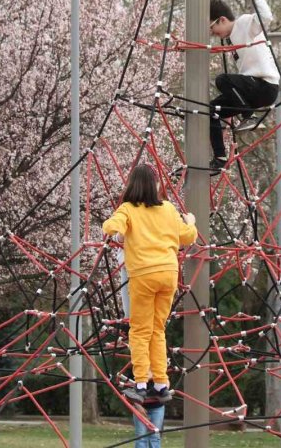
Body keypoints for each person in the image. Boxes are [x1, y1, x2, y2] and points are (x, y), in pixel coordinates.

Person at [102, 164, 197, 404]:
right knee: (158, 329)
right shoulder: (167, 209)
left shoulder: (128, 209)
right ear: (155, 185)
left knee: (140, 330)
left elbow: (112, 227)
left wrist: (120, 231)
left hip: (144, 274)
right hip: (168, 274)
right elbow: (188, 237)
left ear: (132, 186)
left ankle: (142, 383)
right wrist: (191, 221)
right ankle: (161, 383)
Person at [208, 0, 280, 172]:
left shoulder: (244, 23)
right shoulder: (232, 38)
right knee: (212, 109)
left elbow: (265, 16)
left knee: (223, 80)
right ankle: (220, 158)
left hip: (265, 86)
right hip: (251, 92)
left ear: (222, 20)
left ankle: (248, 116)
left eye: (213, 29)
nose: (214, 35)